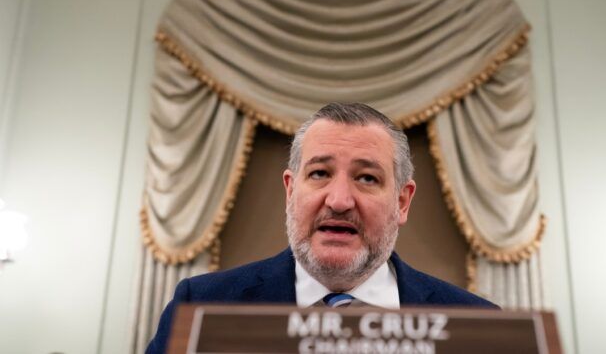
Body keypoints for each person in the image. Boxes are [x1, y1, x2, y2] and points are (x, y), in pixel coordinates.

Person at [145, 102, 496, 353]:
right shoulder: (201, 306)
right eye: (319, 173)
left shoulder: (480, 327)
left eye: (367, 178)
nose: (339, 200)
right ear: (290, 191)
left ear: (402, 202)